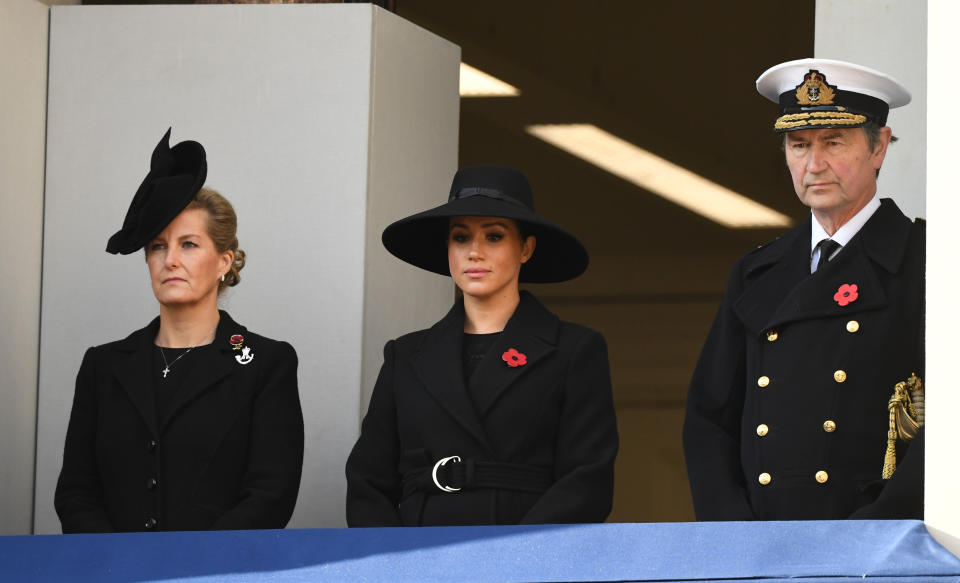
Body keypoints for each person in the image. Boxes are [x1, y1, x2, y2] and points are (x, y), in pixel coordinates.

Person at [683, 59, 925, 521]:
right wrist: (734, 533)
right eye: (798, 146)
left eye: (834, 142)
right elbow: (708, 420)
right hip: (764, 542)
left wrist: (879, 530)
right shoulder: (757, 272)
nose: (814, 165)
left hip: (876, 542)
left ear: (880, 148)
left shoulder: (926, 260)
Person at [55, 129, 304, 532]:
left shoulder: (266, 364)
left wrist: (190, 565)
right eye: (157, 246)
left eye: (188, 244)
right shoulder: (103, 365)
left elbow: (270, 497)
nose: (170, 259)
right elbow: (76, 491)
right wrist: (116, 565)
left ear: (225, 261)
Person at [345, 165, 619, 526]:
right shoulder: (405, 356)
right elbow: (368, 482)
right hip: (421, 563)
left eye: (493, 237)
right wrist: (398, 567)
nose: (474, 252)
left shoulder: (574, 350)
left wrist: (518, 560)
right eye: (460, 237)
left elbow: (588, 481)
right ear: (447, 248)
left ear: (526, 248)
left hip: (525, 564)